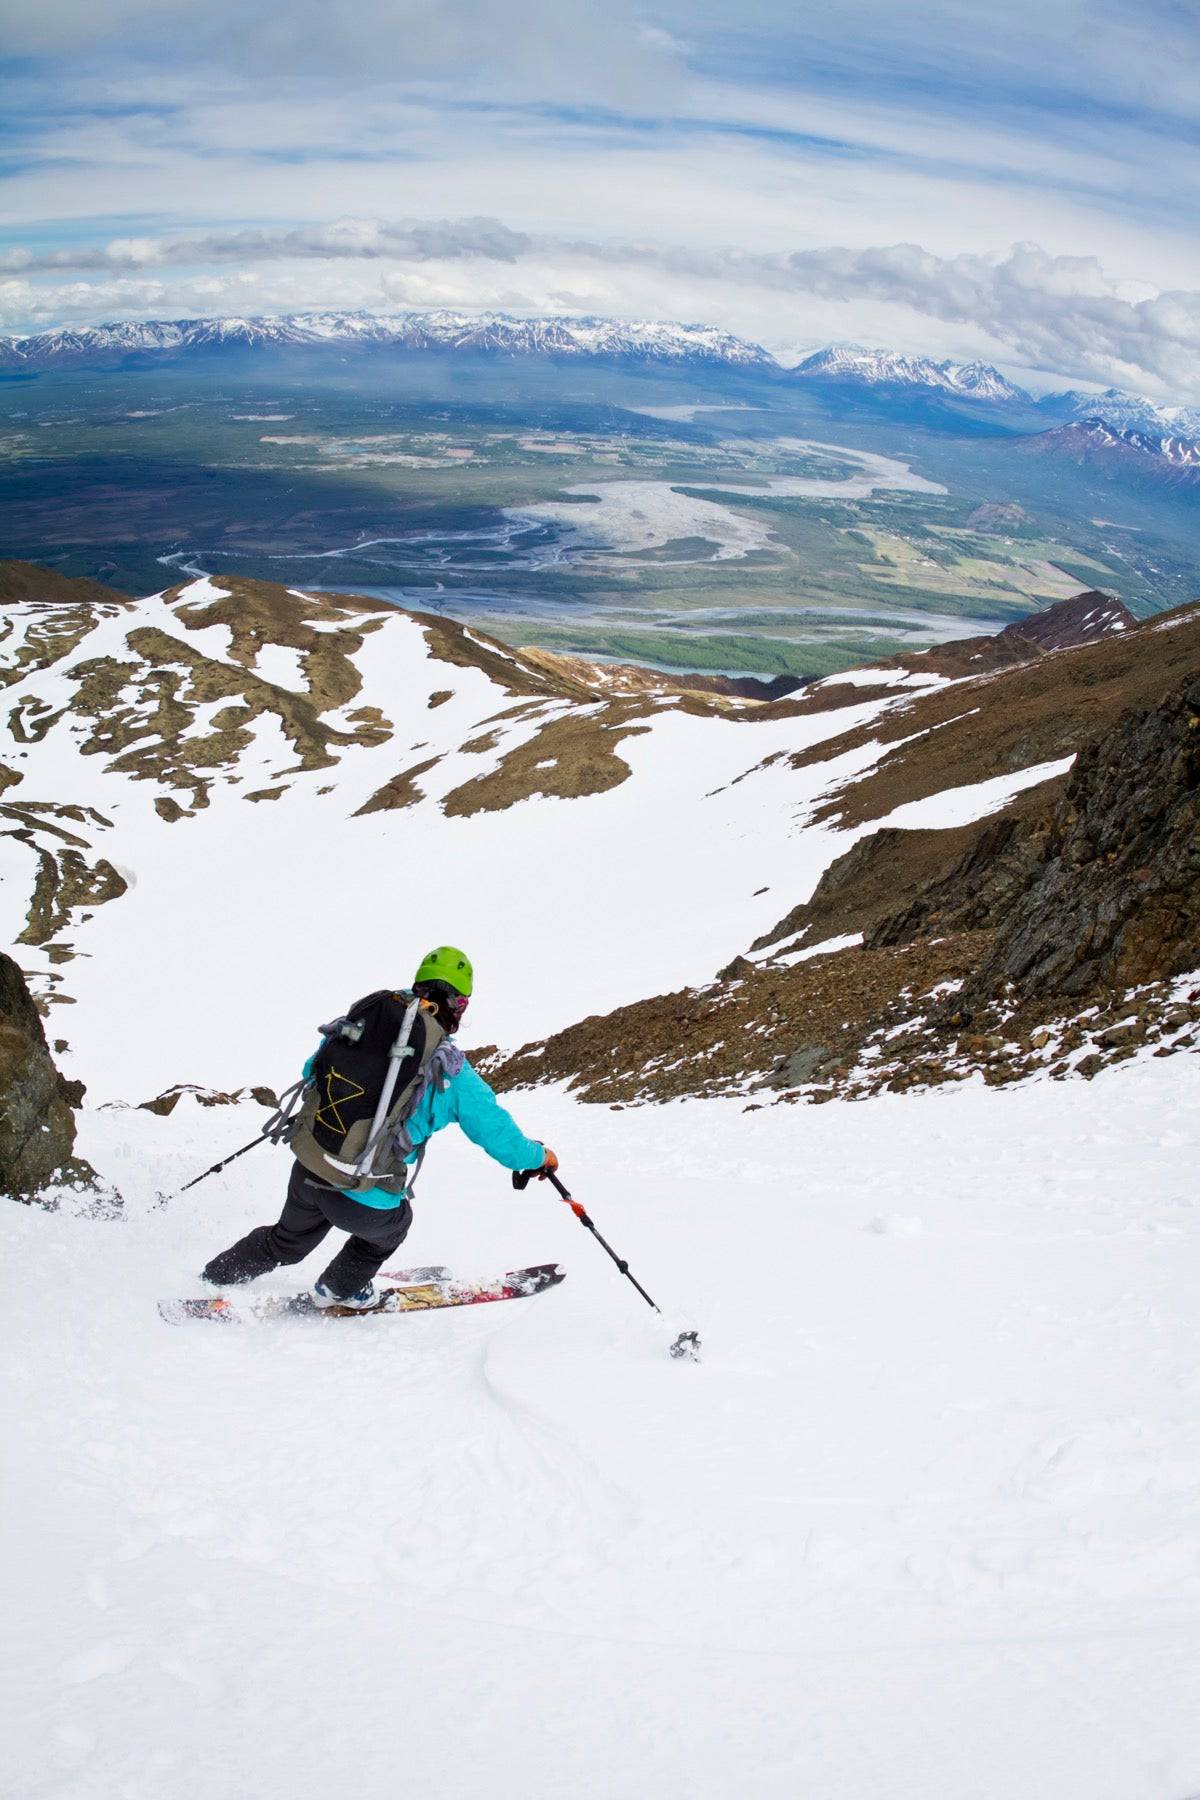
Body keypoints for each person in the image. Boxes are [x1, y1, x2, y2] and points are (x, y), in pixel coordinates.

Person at [201, 946, 556, 1308]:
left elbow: (313, 1070)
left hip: (312, 1164)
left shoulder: (364, 1026)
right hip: (361, 1191)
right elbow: (497, 1133)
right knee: (394, 1227)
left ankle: (211, 1278)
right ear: (460, 1005)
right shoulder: (447, 1068)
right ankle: (341, 1289)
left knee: (285, 1242)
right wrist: (539, 1156)